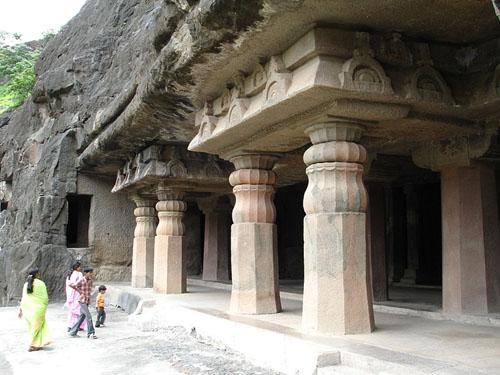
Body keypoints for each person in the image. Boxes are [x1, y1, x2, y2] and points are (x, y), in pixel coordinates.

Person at [18, 269, 52, 351]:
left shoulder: (26, 284)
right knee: (37, 327)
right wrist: (45, 305)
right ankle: (32, 345)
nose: (40, 274)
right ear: (36, 274)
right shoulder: (41, 283)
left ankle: (39, 344)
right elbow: (45, 298)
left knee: (34, 327)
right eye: (38, 273)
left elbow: (24, 298)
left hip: (28, 309)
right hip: (39, 309)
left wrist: (21, 310)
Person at [68, 267, 97, 339]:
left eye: (91, 273)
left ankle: (72, 332)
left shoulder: (90, 280)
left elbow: (89, 290)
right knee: (88, 316)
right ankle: (91, 333)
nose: (91, 274)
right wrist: (79, 291)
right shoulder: (81, 280)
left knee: (81, 317)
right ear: (85, 273)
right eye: (89, 272)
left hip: (87, 301)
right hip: (82, 301)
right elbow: (72, 285)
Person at [64, 261, 87, 332]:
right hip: (77, 294)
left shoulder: (69, 274)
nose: (81, 268)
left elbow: (69, 285)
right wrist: (81, 292)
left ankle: (70, 326)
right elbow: (79, 284)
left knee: (72, 311)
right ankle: (79, 325)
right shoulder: (79, 274)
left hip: (71, 295)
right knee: (79, 310)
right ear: (77, 267)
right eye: (80, 266)